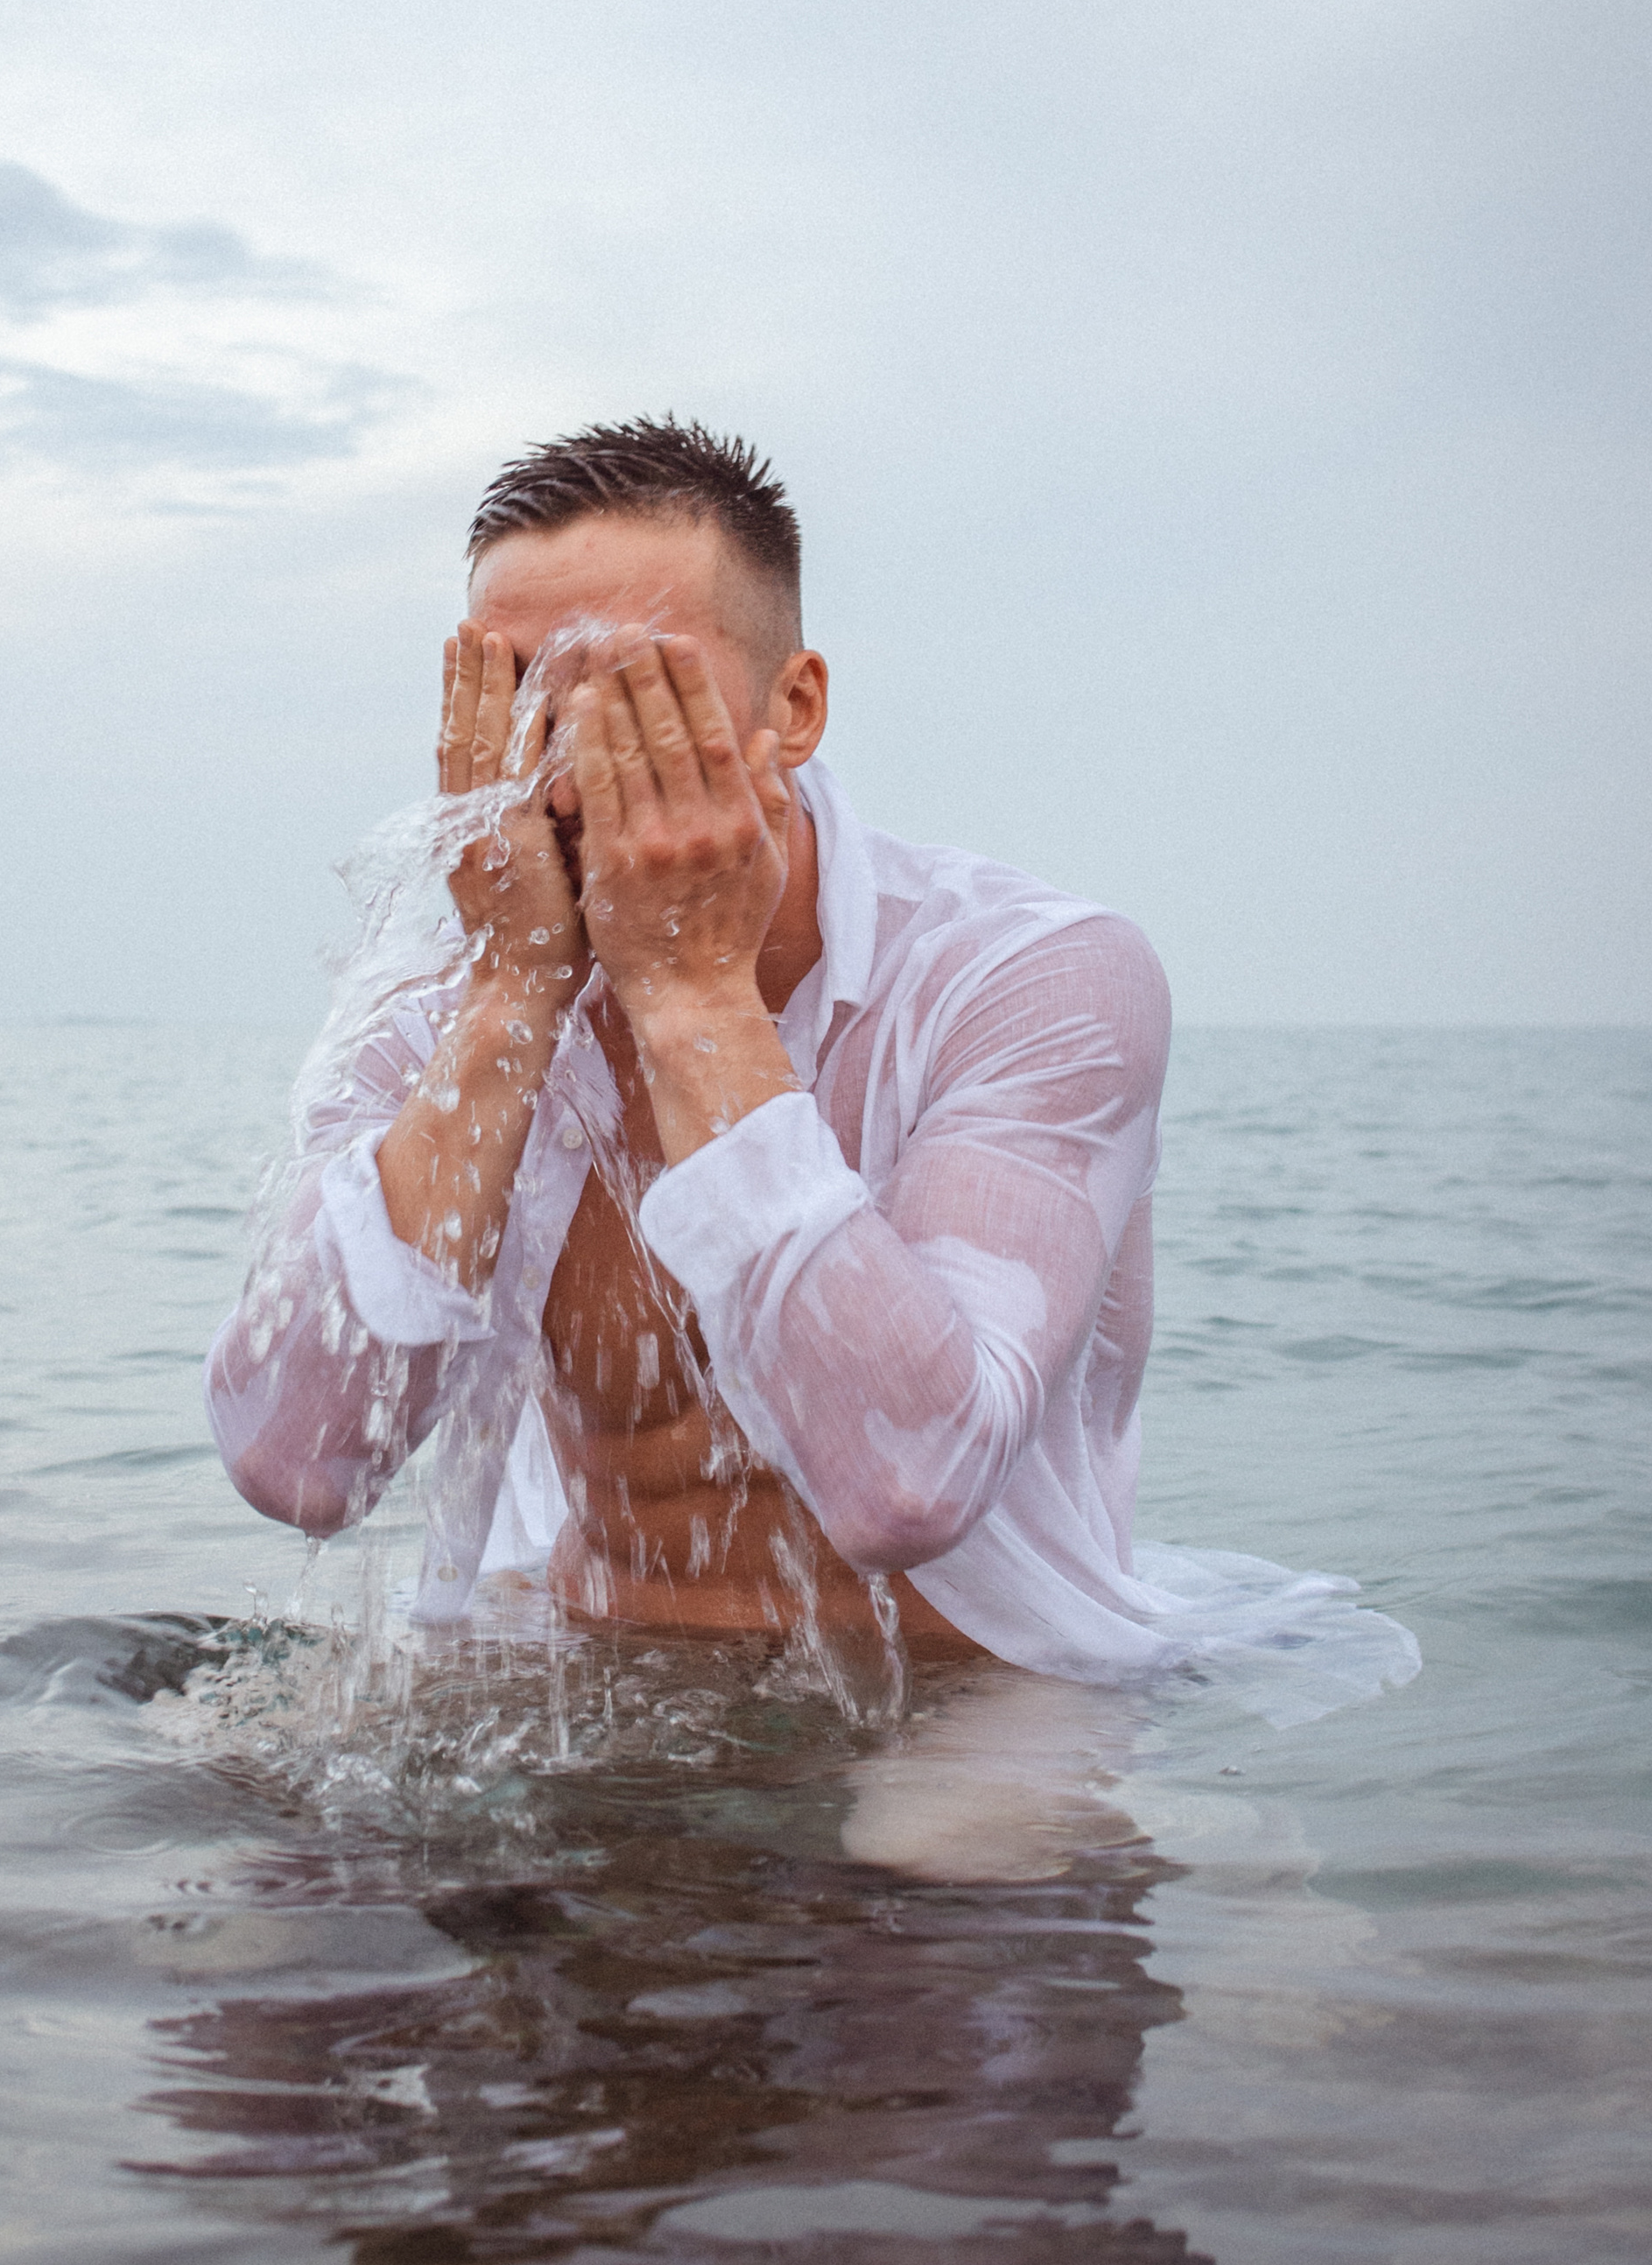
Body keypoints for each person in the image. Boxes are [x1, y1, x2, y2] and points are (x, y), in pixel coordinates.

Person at [200, 414, 1215, 1689]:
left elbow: (911, 1481)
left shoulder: (1027, 976)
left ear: (794, 708)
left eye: (639, 694)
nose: (565, 773)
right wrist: (515, 998)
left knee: (948, 1868)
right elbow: (294, 1467)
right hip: (596, 1654)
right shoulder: (443, 1009)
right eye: (517, 697)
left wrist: (691, 996)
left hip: (974, 1687)